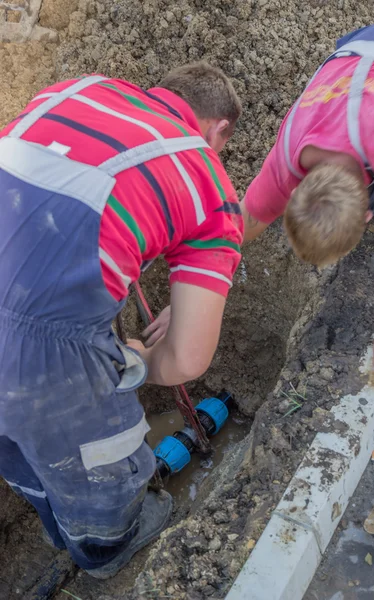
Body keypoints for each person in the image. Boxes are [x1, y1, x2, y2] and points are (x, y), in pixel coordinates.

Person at [0, 62, 242, 578]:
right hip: (35, 349)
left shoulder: (74, 90)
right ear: (220, 129)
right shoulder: (209, 183)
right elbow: (186, 358)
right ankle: (100, 548)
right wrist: (135, 361)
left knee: (15, 437)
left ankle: (53, 521)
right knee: (107, 462)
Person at [239, 18, 374, 393]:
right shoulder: (286, 157)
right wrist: (193, 295)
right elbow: (245, 219)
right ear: (293, 192)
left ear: (367, 216)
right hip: (365, 52)